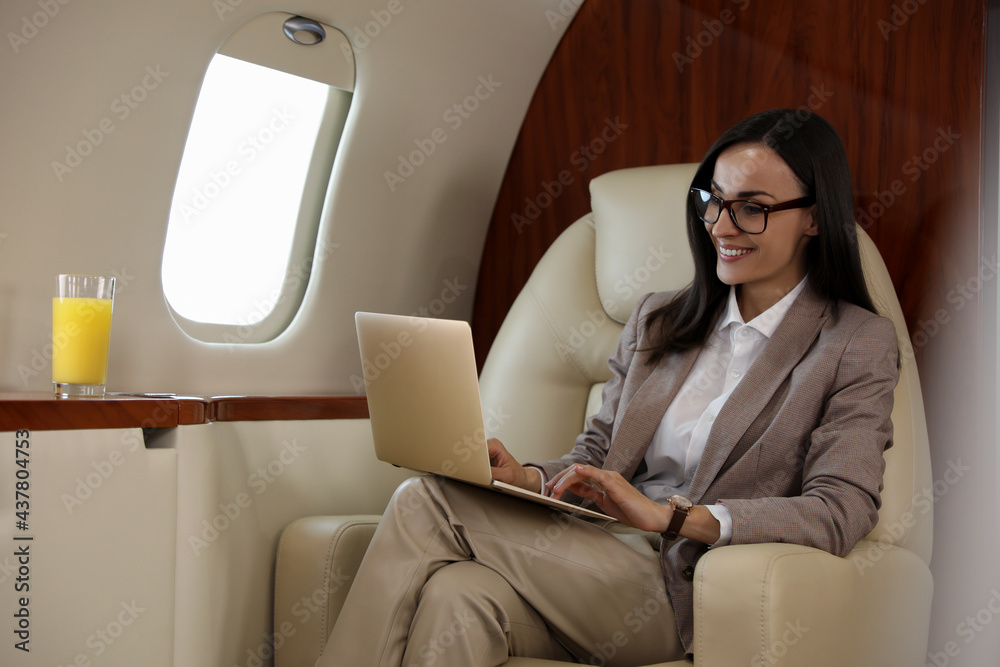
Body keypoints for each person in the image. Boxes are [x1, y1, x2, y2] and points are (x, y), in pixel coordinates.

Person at [320, 109, 900, 666]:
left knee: (424, 500)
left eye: (753, 208)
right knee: (456, 597)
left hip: (683, 587)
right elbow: (597, 456)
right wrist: (526, 479)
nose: (722, 226)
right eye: (714, 201)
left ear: (814, 217)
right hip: (593, 557)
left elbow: (839, 510)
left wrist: (673, 518)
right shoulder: (658, 320)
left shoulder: (855, 342)